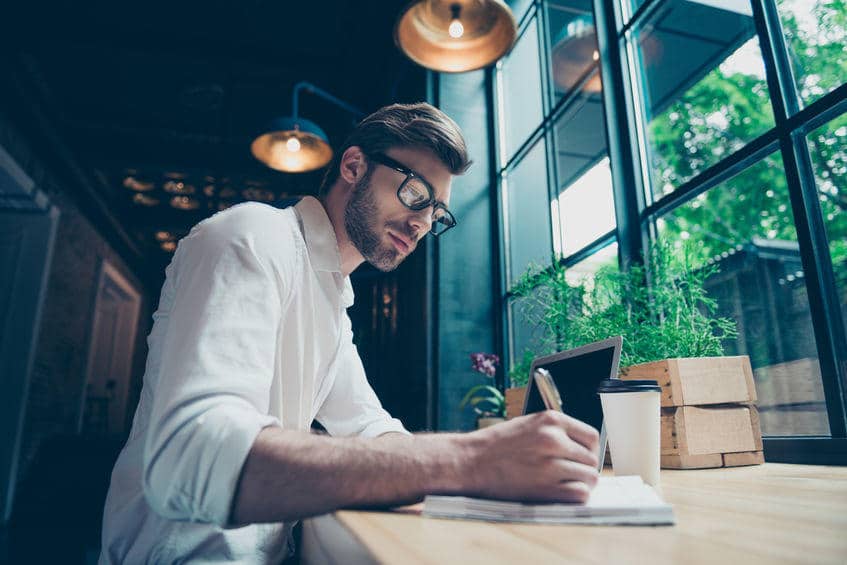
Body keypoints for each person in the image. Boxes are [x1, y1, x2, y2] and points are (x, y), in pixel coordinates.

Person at [99, 103, 600, 564]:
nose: (422, 221)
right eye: (414, 191)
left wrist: (496, 473)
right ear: (354, 166)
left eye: (436, 211)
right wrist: (473, 459)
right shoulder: (251, 236)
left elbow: (368, 427)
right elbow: (193, 457)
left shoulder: (333, 299)